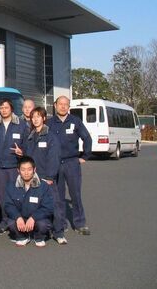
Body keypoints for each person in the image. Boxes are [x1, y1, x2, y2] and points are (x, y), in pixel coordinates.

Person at [47, 95, 92, 237]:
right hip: (55, 163)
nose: (63, 106)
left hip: (72, 163)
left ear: (69, 107)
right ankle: (61, 223)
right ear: (55, 105)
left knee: (75, 194)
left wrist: (84, 156)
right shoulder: (49, 122)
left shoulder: (75, 121)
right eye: (60, 104)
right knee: (58, 196)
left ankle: (80, 223)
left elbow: (87, 138)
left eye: (66, 104)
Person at [0, 98, 30, 234]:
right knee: (0, 196)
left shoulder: (22, 125)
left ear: (11, 108)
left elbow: (28, 146)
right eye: (1, 108)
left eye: (6, 107)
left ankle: (17, 220)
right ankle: (4, 221)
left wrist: (22, 152)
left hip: (14, 167)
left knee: (16, 195)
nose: (4, 110)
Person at [22, 106, 63, 242]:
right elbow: (28, 156)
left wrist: (50, 177)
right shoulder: (30, 136)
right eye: (33, 117)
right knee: (33, 204)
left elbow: (54, 158)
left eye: (38, 116)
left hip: (46, 177)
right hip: (32, 177)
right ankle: (32, 231)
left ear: (44, 118)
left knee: (54, 205)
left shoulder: (51, 137)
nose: (35, 119)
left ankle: (58, 233)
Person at [4, 156, 53, 247]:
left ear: (34, 169)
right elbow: (8, 205)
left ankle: (38, 237)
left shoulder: (43, 186)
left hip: (37, 219)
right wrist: (18, 217)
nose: (26, 173)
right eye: (23, 170)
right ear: (18, 170)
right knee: (11, 223)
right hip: (21, 218)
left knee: (43, 225)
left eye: (29, 169)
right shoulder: (11, 185)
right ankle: (22, 237)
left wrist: (34, 217)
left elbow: (48, 207)